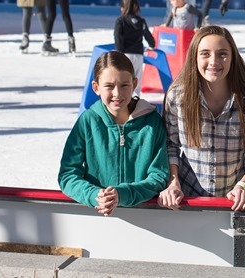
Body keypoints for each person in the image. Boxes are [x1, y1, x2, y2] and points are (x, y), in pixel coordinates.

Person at [158, 25, 245, 210]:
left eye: (222, 54)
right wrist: (173, 182)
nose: (214, 61)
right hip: (189, 197)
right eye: (205, 54)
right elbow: (171, 145)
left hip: (237, 200)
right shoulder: (177, 96)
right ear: (194, 56)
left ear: (233, 57)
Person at [58, 51, 169, 215]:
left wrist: (123, 194)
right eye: (109, 86)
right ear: (96, 88)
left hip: (146, 216)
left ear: (134, 83)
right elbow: (68, 174)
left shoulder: (152, 123)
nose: (117, 93)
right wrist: (95, 195)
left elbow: (159, 175)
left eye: (124, 85)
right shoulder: (88, 122)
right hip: (99, 216)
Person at [114, 0, 156, 96]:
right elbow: (150, 38)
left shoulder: (120, 21)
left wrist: (119, 52)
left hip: (125, 55)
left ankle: (123, 103)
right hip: (138, 56)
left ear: (123, 8)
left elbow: (118, 38)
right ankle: (135, 103)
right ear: (137, 7)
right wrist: (151, 45)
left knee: (124, 81)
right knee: (136, 82)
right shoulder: (141, 22)